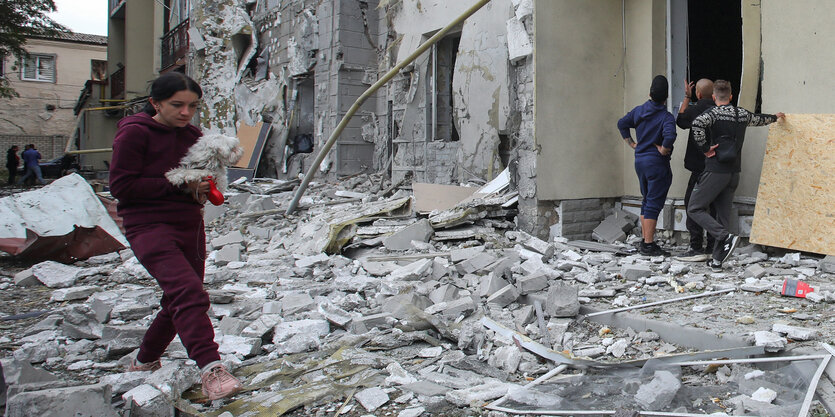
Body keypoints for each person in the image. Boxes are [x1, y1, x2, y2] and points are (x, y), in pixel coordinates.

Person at [108, 72, 242, 401]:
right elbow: (122, 187)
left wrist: (204, 188)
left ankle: (143, 362)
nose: (185, 113)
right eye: (177, 105)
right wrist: (181, 183)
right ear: (155, 103)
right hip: (148, 226)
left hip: (188, 224)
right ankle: (211, 367)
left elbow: (203, 176)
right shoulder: (135, 134)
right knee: (188, 293)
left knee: (177, 299)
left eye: (193, 106)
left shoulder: (192, 134)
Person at [688, 79, 784, 271]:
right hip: (734, 173)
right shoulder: (741, 114)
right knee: (723, 216)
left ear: (714, 97)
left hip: (715, 171)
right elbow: (760, 119)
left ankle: (724, 237)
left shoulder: (711, 114)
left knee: (694, 208)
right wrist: (775, 117)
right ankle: (716, 261)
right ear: (731, 96)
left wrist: (706, 148)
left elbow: (696, 124)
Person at [618, 75, 677, 256]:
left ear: (649, 93)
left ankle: (645, 241)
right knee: (653, 203)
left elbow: (622, 123)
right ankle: (649, 245)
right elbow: (670, 136)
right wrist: (664, 149)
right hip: (656, 164)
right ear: (666, 97)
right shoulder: (666, 117)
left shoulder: (639, 111)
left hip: (640, 161)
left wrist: (632, 144)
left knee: (646, 200)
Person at [675, 78, 717, 262]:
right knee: (714, 206)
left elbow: (680, 121)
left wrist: (686, 96)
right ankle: (712, 246)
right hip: (717, 168)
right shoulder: (720, 111)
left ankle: (696, 246)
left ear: (698, 94)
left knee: (692, 205)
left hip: (699, 168)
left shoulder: (695, 110)